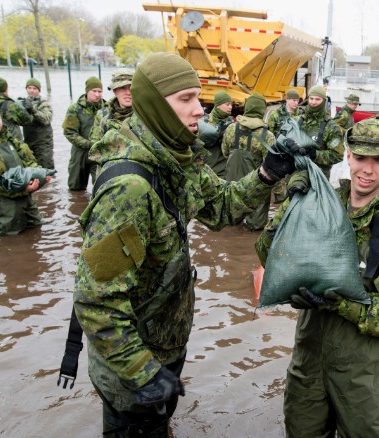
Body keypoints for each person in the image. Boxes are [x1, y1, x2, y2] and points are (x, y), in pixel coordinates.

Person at [72, 52, 299, 437]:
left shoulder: (177, 156)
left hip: (162, 345)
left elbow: (220, 207)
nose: (199, 110)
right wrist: (144, 375)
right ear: (154, 105)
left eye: (198, 98)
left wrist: (266, 174)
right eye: (185, 99)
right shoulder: (130, 186)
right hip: (133, 366)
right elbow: (96, 303)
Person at [255, 116, 379, 437]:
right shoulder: (324, 204)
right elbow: (270, 257)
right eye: (359, 158)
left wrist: (337, 302)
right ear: (347, 156)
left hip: (370, 379)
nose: (367, 170)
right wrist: (292, 206)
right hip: (310, 362)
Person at [0, 102, 52, 236]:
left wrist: (40, 175)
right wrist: (24, 189)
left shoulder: (10, 139)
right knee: (11, 243)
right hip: (6, 208)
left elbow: (29, 161)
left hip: (27, 200)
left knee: (37, 230)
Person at [221, 92, 276, 231]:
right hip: (257, 189)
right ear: (262, 111)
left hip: (233, 186)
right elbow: (272, 166)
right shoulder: (267, 136)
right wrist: (279, 193)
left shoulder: (231, 129)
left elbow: (225, 153)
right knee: (255, 228)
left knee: (231, 226)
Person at [63, 76, 103, 190]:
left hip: (99, 153)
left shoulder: (106, 108)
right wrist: (89, 144)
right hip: (79, 153)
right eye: (94, 91)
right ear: (87, 91)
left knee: (101, 187)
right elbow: (69, 132)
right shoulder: (75, 109)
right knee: (76, 188)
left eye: (100, 91)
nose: (97, 94)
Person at [297, 85, 343, 180]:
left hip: (318, 178)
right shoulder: (297, 120)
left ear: (324, 101)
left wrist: (315, 154)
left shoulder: (331, 126)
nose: (313, 102)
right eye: (311, 98)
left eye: (318, 99)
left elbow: (338, 155)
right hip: (294, 175)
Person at [0, 76, 33, 142]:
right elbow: (27, 121)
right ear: (6, 88)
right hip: (10, 141)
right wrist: (29, 109)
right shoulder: (9, 104)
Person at [89, 68, 134, 144]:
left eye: (130, 87)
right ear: (115, 91)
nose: (128, 92)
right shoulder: (103, 115)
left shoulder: (145, 114)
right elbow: (95, 145)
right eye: (122, 87)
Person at [20, 78, 55, 169]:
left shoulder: (44, 103)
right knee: (31, 168)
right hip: (28, 141)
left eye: (34, 88)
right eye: (29, 88)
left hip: (43, 143)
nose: (31, 91)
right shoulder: (23, 102)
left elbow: (46, 118)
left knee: (46, 168)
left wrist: (33, 110)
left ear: (39, 90)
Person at [201, 90, 234, 178]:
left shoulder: (231, 124)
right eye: (227, 104)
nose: (230, 107)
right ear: (218, 105)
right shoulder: (204, 121)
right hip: (205, 168)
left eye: (231, 104)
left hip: (223, 171)